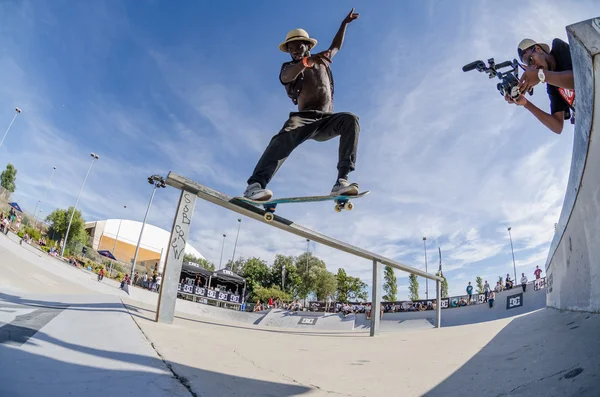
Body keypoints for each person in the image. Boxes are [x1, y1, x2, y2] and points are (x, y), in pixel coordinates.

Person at [243, 9, 361, 201]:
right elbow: (286, 77)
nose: (295, 51)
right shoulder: (289, 67)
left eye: (299, 47)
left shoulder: (323, 59)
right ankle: (255, 185)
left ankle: (341, 181)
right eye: (291, 49)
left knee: (351, 120)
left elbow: (336, 46)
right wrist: (305, 62)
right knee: (285, 135)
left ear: (308, 45)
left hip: (327, 121)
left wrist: (344, 24)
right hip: (305, 118)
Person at [505, 38, 575, 134]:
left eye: (531, 60)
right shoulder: (552, 86)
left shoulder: (558, 48)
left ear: (538, 49)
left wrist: (540, 75)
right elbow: (557, 126)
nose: (533, 67)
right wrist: (526, 104)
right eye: (530, 67)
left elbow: (581, 79)